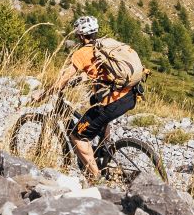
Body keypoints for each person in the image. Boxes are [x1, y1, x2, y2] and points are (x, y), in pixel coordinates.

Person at [52, 14, 143, 178]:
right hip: (131, 95)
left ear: (80, 35)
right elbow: (101, 72)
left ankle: (96, 179)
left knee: (77, 135)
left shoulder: (82, 53)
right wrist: (82, 78)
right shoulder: (105, 46)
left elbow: (63, 78)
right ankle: (104, 148)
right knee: (94, 100)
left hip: (112, 103)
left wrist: (44, 92)